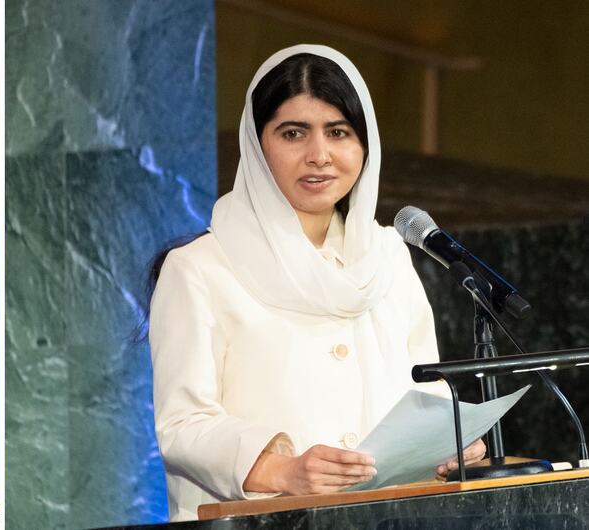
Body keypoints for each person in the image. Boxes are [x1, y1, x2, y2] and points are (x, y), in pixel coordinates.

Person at [147, 44, 486, 522]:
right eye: (293, 133)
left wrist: (451, 439)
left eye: (339, 132)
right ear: (256, 144)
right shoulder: (198, 269)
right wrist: (283, 471)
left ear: (365, 145)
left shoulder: (388, 254)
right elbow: (183, 425)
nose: (319, 156)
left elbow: (423, 392)